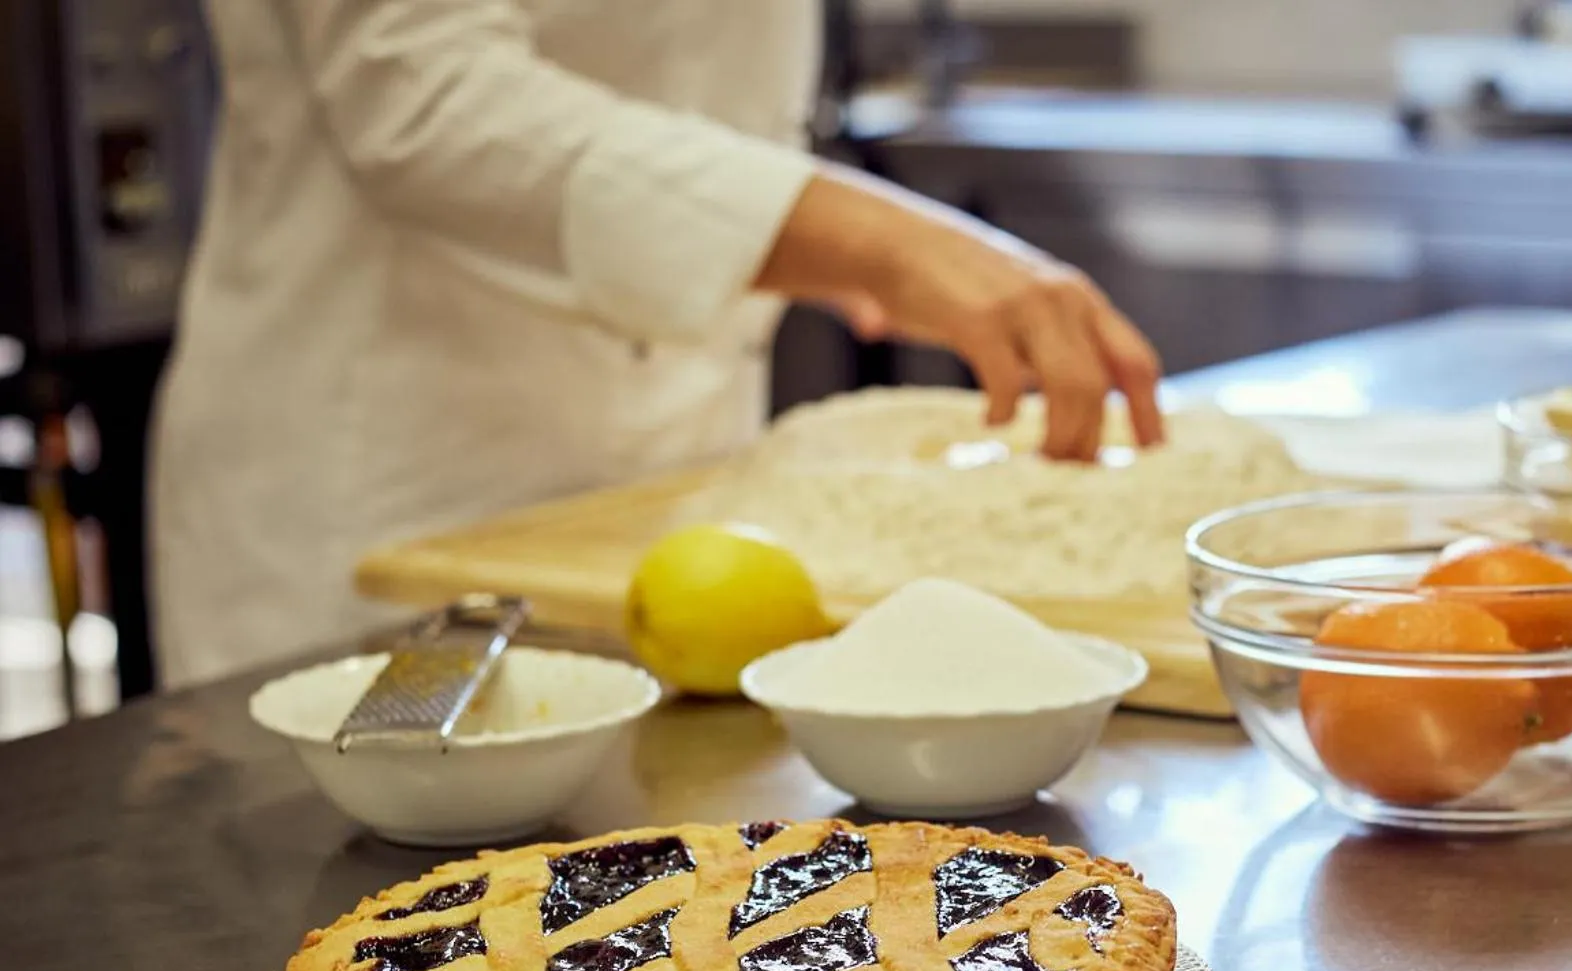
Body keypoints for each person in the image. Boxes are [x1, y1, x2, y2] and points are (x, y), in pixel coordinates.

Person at [151, 1, 1163, 689]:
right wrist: (877, 239)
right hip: (392, 486)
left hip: (678, 497)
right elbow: (420, 98)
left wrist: (800, 242)